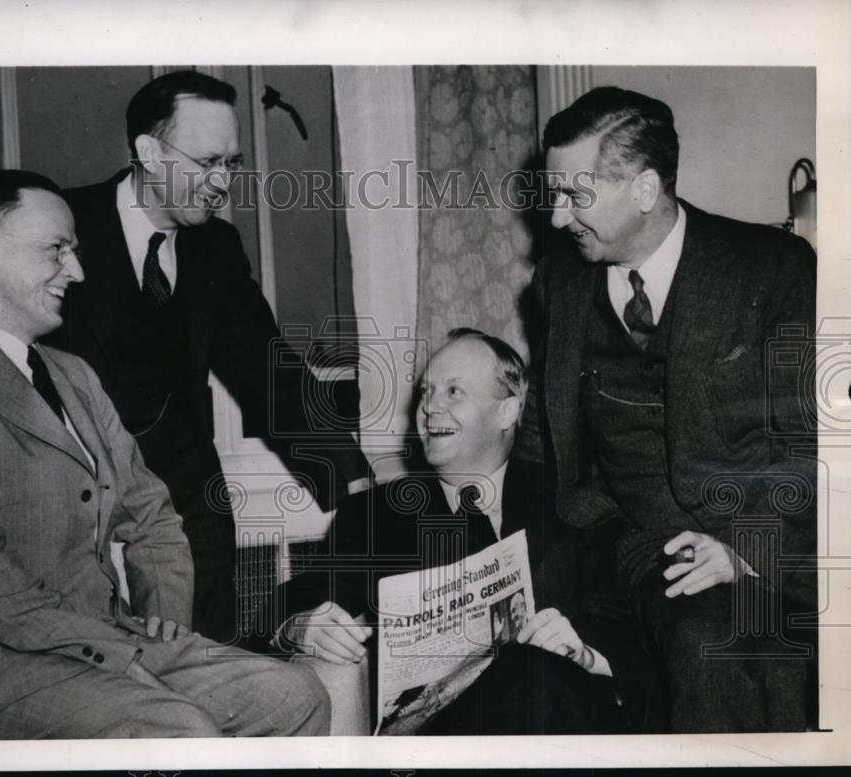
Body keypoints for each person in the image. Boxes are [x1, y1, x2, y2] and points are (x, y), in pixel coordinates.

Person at [0, 70, 374, 645]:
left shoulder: (216, 248)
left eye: (230, 164)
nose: (222, 182)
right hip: (64, 480)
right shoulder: (61, 226)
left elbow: (271, 372)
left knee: (205, 655)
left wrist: (351, 481)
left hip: (185, 490)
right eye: (207, 162)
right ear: (149, 152)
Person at [0, 170, 329, 740]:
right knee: (177, 729)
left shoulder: (73, 375)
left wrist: (166, 619)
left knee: (293, 695)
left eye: (74, 251)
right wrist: (116, 655)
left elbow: (152, 513)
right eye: (57, 250)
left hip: (95, 642)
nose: (77, 271)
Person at [537, 86, 817, 732]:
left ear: (643, 189)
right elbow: (540, 441)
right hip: (623, 540)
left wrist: (746, 549)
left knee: (718, 641)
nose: (555, 219)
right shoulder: (560, 284)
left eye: (575, 197)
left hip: (747, 539)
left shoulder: (773, 270)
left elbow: (818, 446)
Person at [273, 329, 658, 734]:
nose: (430, 407)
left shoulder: (570, 502)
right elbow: (300, 596)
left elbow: (626, 622)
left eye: (453, 391)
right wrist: (300, 626)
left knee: (536, 669)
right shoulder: (375, 514)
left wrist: (584, 653)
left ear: (508, 412)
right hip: (440, 738)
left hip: (560, 716)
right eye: (426, 392)